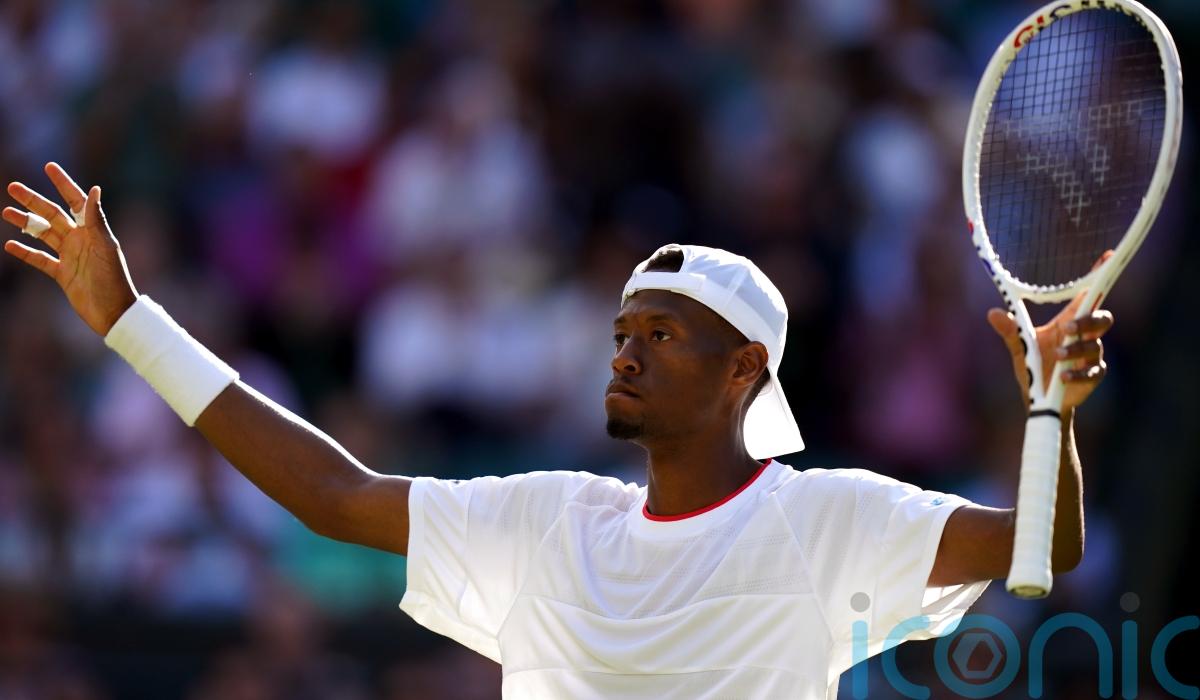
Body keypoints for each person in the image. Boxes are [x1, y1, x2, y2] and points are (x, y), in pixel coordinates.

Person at [3, 163, 1113, 698]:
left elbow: (1043, 546)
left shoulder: (828, 518)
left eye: (662, 335)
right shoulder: (546, 517)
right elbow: (331, 496)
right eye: (622, 331)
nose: (624, 352)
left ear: (745, 370)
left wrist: (1049, 407)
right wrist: (131, 322)